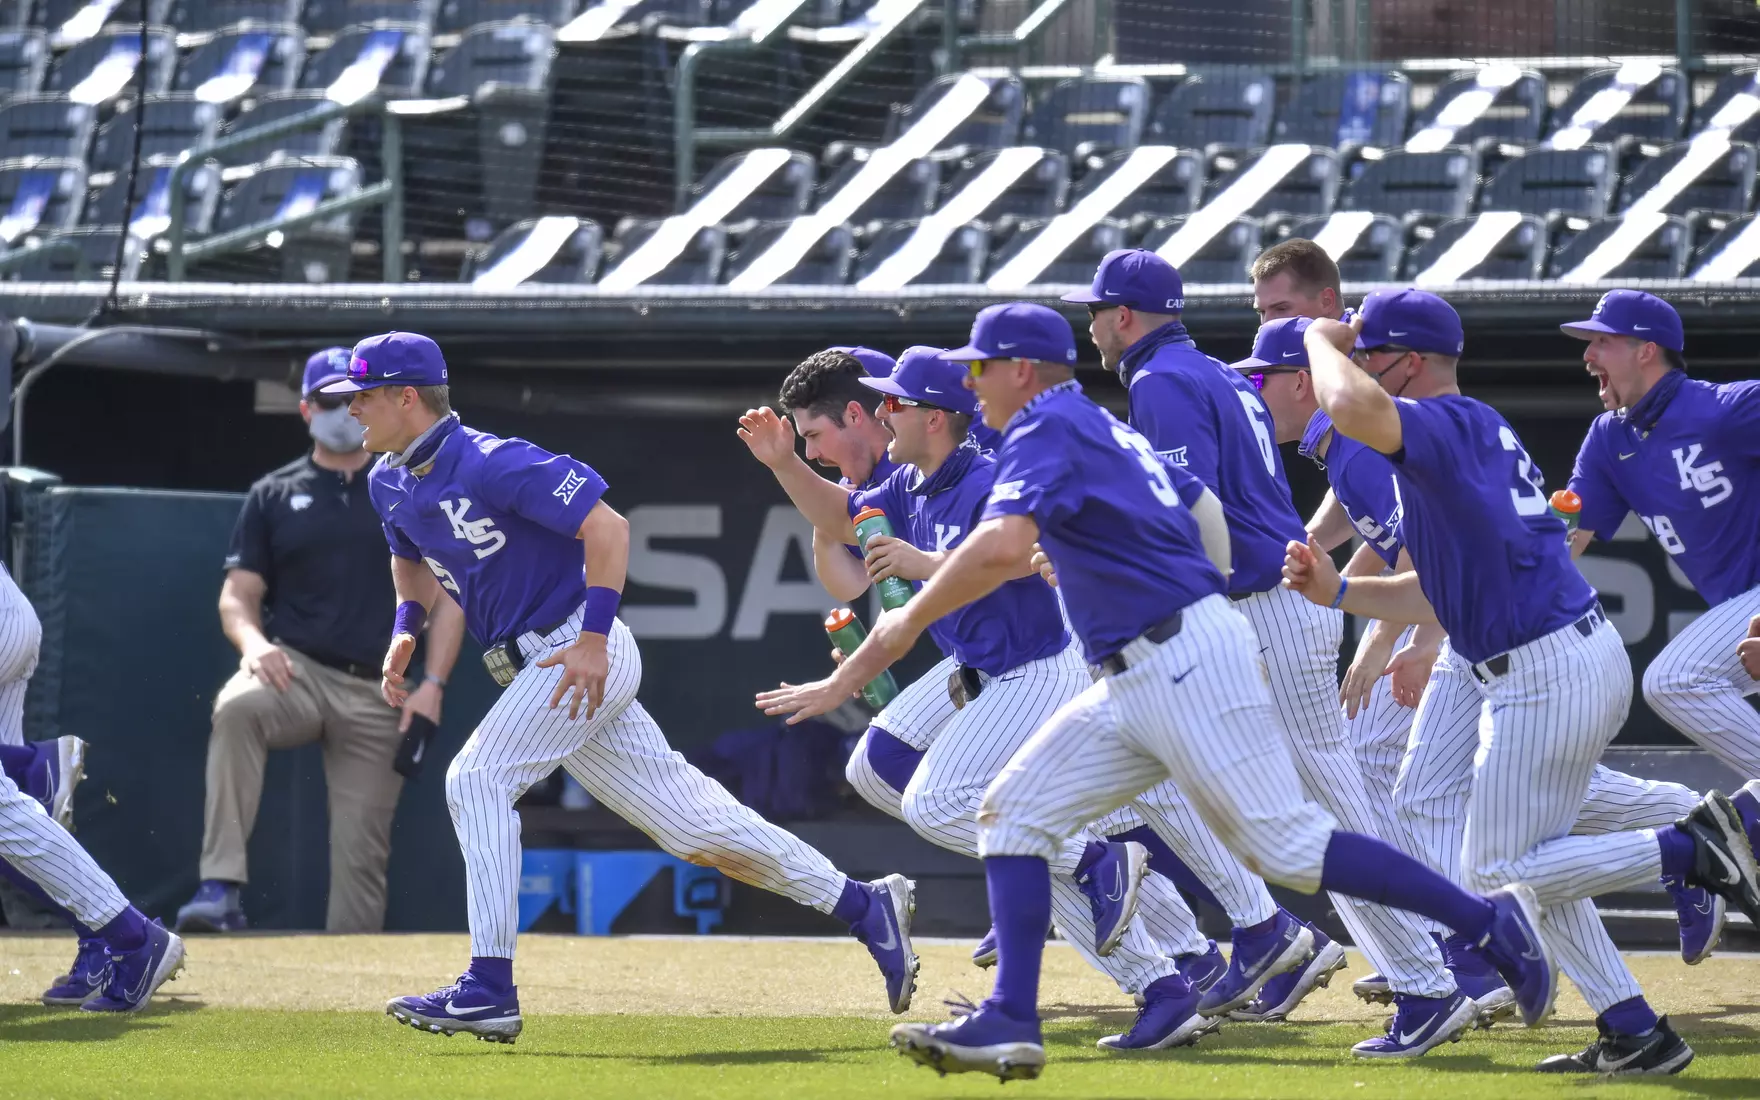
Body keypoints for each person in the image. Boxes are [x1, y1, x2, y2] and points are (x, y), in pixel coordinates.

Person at [759, 302, 1564, 1082]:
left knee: (1288, 844)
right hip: (1139, 664)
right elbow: (1200, 510)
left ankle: (1486, 924)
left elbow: (1002, 548)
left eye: (979, 368)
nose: (969, 383)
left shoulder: (1050, 425)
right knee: (1011, 813)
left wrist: (894, 637)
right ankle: (1015, 1015)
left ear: (1021, 371)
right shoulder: (1084, 422)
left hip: (1176, 658)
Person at [326, 331, 919, 1044]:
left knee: (474, 780)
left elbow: (608, 528)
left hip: (576, 643)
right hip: (533, 664)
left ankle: (488, 987)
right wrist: (406, 627)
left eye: (362, 394)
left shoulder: (491, 459)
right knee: (693, 826)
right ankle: (865, 907)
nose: (352, 408)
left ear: (405, 395)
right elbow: (412, 561)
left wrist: (594, 642)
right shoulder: (388, 479)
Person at [1283, 288, 1760, 1075]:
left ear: (1411, 361)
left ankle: (1693, 844)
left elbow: (1346, 398)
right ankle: (1633, 1026)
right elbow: (1432, 589)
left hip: (1547, 666)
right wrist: (1337, 594)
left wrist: (1322, 339)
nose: (1361, 366)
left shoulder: (1441, 421)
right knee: (1529, 854)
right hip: (1542, 659)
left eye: (1374, 355)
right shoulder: (1464, 437)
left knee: (1496, 873)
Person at [746, 345, 1214, 1051]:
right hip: (995, 672)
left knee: (940, 804)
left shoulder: (985, 476)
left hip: (1043, 668)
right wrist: (787, 463)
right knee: (1012, 835)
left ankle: (1104, 864)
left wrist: (924, 564)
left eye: (896, 402)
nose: (884, 411)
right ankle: (1163, 989)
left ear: (934, 418)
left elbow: (1022, 559)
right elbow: (845, 525)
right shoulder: (908, 483)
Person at [1067, 249, 1472, 1056]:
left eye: (1094, 311)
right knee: (1272, 795)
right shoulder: (1209, 369)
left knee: (1333, 807)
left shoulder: (1160, 381)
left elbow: (1190, 513)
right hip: (1275, 600)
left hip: (1266, 607)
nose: (1089, 327)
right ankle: (1293, 939)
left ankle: (1428, 974)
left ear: (1121, 317)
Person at [175, 348, 464, 935]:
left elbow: (450, 591)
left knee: (363, 853)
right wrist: (254, 646)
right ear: (306, 410)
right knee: (238, 707)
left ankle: (344, 986)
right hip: (298, 670)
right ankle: (219, 887)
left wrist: (433, 684)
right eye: (331, 401)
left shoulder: (405, 483)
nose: (345, 412)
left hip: (380, 687)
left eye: (354, 399)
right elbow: (238, 596)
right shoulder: (274, 494)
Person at [1562, 290, 1760, 804]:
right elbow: (1565, 541)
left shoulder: (1726, 409)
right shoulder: (1609, 439)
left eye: (1601, 342)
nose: (1587, 356)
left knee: (1676, 679)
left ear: (1645, 350)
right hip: (1744, 617)